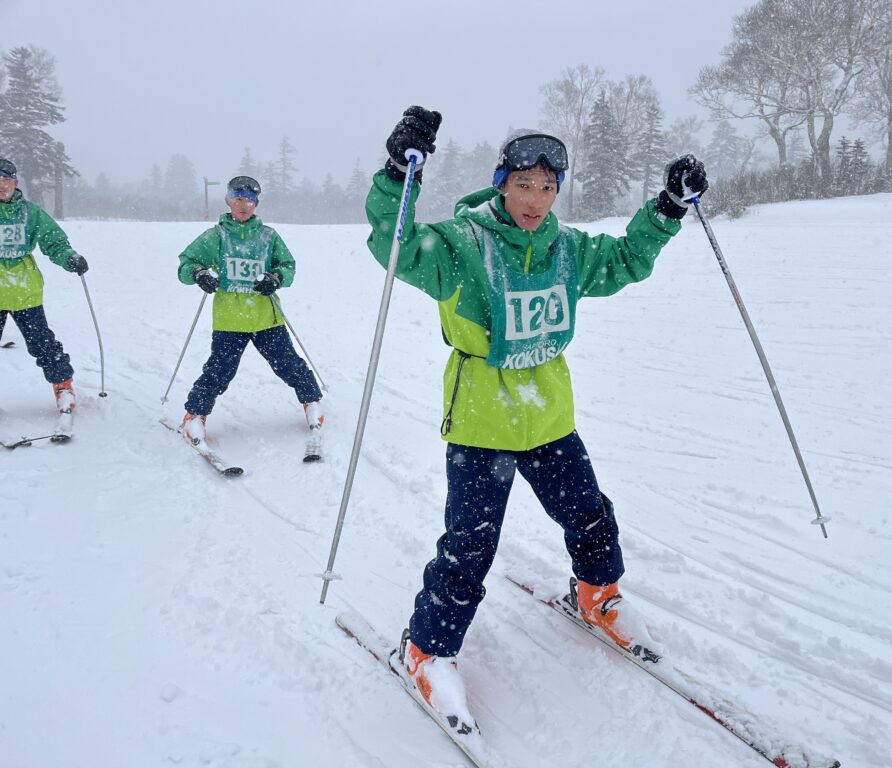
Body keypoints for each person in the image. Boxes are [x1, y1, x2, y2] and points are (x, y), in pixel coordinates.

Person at [364, 106, 709, 731]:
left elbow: (627, 259)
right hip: (482, 422)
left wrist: (667, 208)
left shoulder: (567, 249)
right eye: (524, 184)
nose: (536, 199)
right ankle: (427, 651)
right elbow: (397, 243)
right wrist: (397, 173)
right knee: (470, 547)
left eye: (548, 186)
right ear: (502, 183)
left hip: (549, 415)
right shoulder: (463, 245)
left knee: (589, 514)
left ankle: (597, 597)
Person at [176, 175, 323, 443]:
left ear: (256, 204)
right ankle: (195, 415)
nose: (243, 205)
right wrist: (199, 274)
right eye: (238, 199)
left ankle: (312, 402)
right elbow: (186, 264)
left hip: (266, 318)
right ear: (228, 201)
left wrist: (276, 278)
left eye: (249, 200)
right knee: (219, 371)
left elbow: (288, 266)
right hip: (230, 320)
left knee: (289, 364)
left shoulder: (268, 236)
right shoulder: (216, 236)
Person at [0, 157, 89, 415]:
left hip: (24, 291)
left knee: (42, 343)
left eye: (6, 180)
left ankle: (63, 387)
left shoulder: (31, 213)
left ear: (16, 183)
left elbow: (54, 242)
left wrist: (70, 258)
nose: (2, 185)